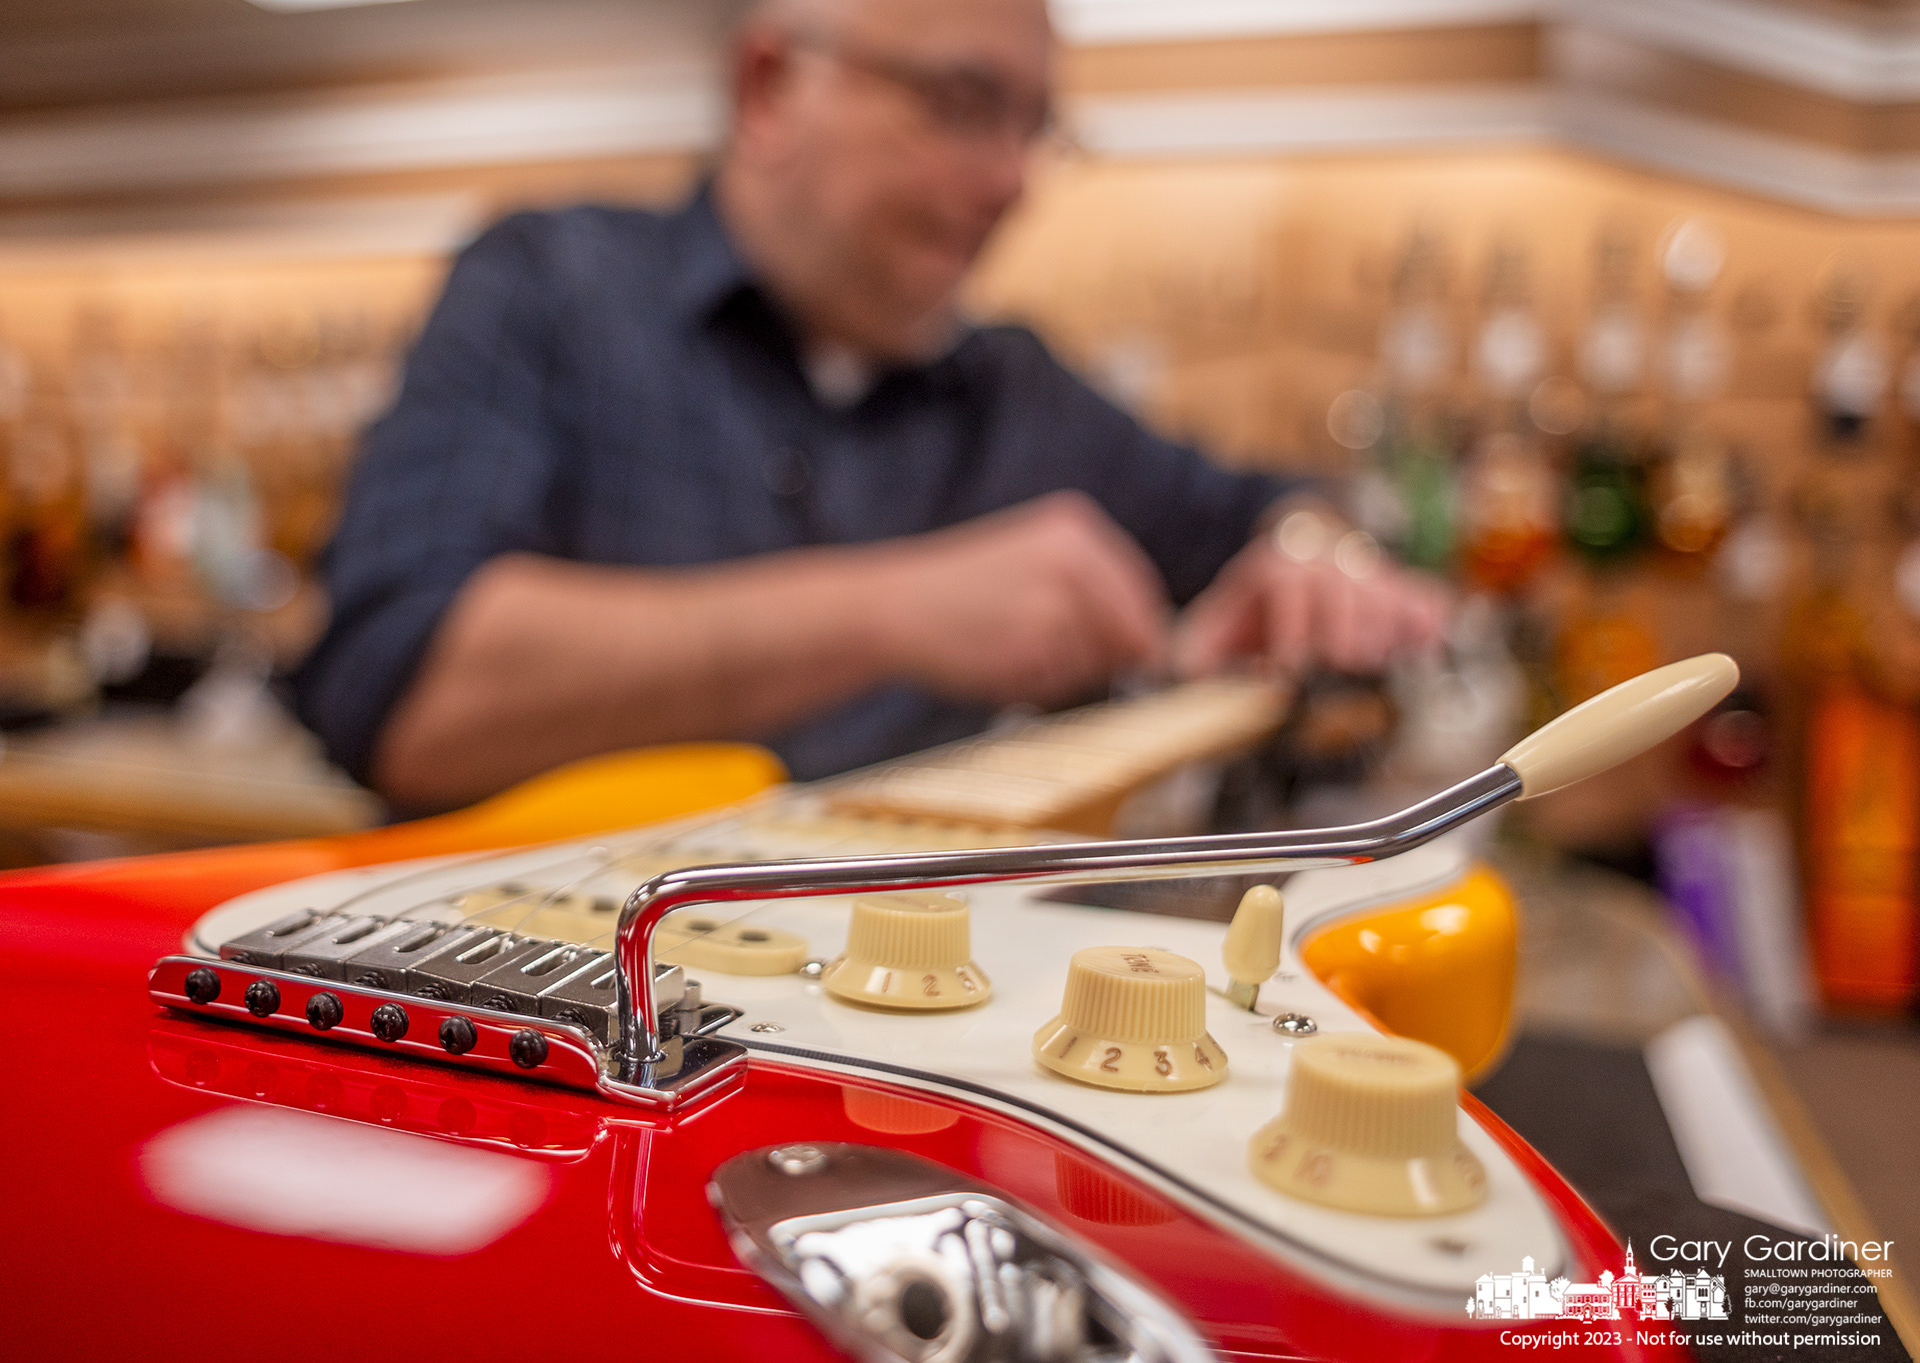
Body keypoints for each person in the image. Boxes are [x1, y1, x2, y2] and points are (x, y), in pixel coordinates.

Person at [293, 0, 1446, 811]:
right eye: (960, 103)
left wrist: (1314, 554)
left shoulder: (1021, 392)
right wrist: (895, 610)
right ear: (767, 86)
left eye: (1033, 126)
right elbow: (394, 693)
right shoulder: (550, 290)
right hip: (537, 1033)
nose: (1013, 182)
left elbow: (1272, 506)